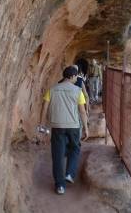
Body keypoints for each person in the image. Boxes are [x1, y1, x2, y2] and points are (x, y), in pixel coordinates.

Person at [39, 66, 89, 195]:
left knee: (57, 155)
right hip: (73, 126)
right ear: (72, 77)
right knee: (75, 148)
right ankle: (69, 174)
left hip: (57, 126)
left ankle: (60, 186)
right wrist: (86, 128)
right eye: (76, 77)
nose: (76, 79)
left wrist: (42, 125)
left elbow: (44, 107)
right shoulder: (78, 91)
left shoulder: (52, 89)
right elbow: (82, 111)